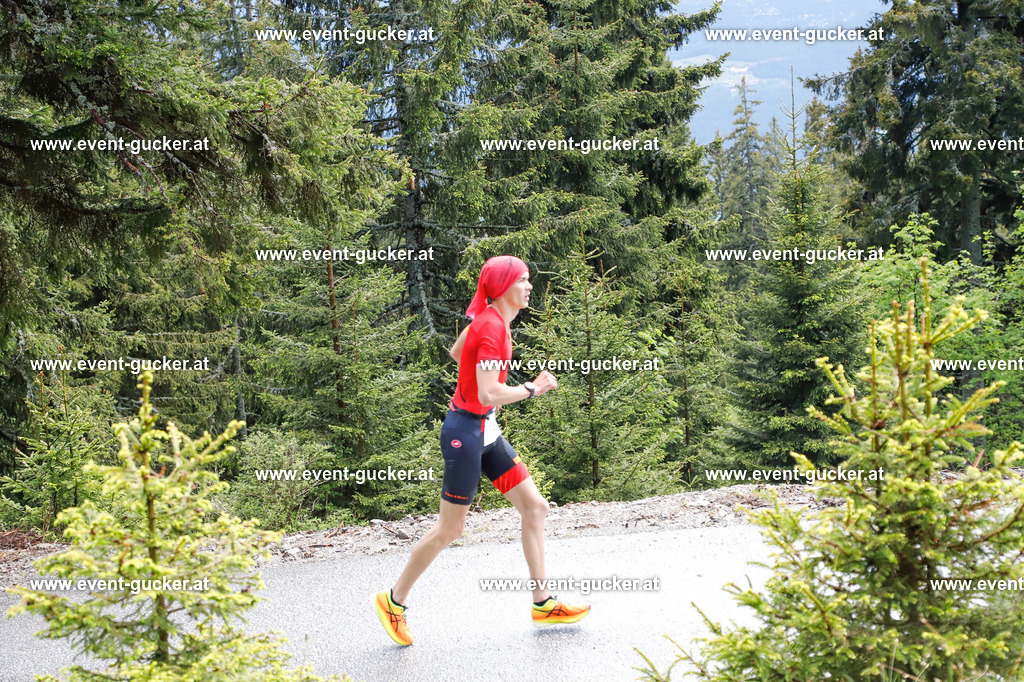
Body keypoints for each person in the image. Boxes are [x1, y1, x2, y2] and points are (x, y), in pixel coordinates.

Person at [373, 255, 590, 645]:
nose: (529, 287)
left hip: (483, 430)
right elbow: (490, 391)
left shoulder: (490, 320)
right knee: (451, 528)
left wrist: (482, 337)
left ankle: (543, 602)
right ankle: (394, 601)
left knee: (535, 508)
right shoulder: (493, 328)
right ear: (505, 286)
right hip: (465, 435)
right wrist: (533, 388)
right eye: (523, 280)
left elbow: (459, 354)